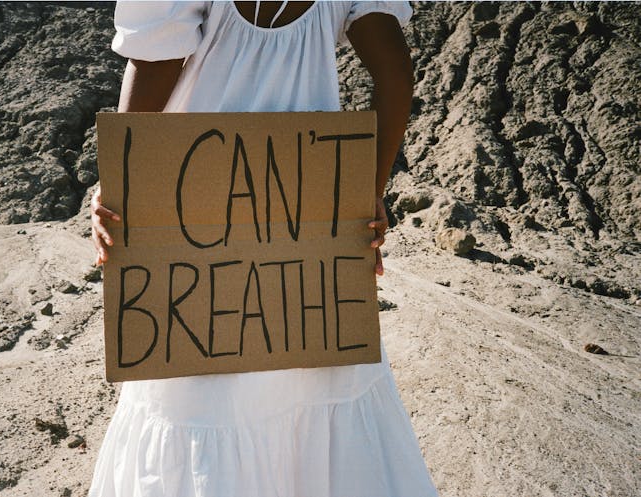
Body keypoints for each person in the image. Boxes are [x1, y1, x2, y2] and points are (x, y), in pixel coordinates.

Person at [88, 2, 438, 496]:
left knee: (198, 411)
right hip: (310, 226)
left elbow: (154, 64)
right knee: (318, 407)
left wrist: (119, 186)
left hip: (192, 225)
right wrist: (359, 198)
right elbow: (397, 75)